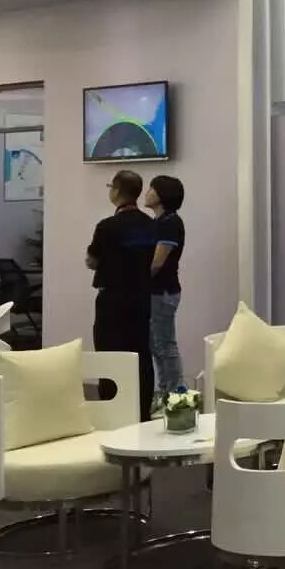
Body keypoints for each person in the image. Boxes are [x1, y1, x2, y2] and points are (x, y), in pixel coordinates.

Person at [86, 170, 157, 421]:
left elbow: (92, 261)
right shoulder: (151, 225)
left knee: (109, 356)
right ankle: (142, 413)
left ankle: (111, 414)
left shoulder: (107, 226)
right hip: (141, 299)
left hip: (112, 301)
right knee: (141, 355)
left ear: (116, 191)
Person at [144, 175, 185, 408]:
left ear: (162, 195)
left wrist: (135, 280)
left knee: (164, 346)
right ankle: (165, 392)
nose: (147, 192)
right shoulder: (159, 222)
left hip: (163, 292)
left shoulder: (170, 223)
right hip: (157, 292)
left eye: (152, 188)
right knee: (157, 346)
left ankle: (175, 396)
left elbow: (157, 263)